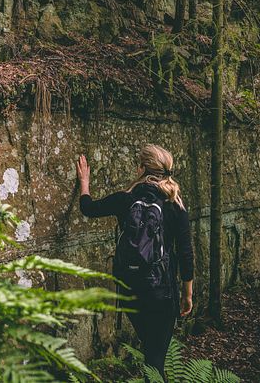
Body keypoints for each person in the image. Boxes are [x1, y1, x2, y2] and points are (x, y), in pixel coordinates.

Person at [75, 144, 194, 378]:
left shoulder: (125, 199)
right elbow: (185, 253)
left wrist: (85, 183)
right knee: (155, 360)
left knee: (150, 350)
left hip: (130, 290)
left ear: (141, 168)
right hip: (162, 292)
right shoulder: (175, 205)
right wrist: (187, 294)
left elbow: (88, 208)